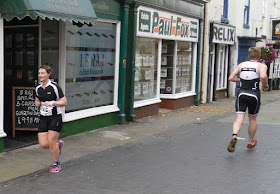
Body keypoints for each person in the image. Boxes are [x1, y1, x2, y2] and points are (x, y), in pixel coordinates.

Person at [227, 47, 269, 153]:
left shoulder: (241, 65)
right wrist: (266, 85)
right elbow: (263, 76)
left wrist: (241, 80)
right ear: (259, 56)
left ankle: (234, 135)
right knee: (252, 119)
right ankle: (250, 141)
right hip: (254, 93)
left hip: (241, 93)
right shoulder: (261, 66)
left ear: (249, 56)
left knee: (239, 118)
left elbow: (231, 78)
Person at [35, 65, 67, 172]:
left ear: (48, 74)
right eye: (39, 73)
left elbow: (64, 102)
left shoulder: (54, 87)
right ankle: (58, 146)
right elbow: (37, 101)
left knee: (51, 142)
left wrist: (52, 103)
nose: (40, 75)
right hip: (43, 117)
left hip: (55, 118)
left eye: (43, 73)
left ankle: (56, 164)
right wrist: (38, 103)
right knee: (44, 144)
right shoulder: (38, 88)